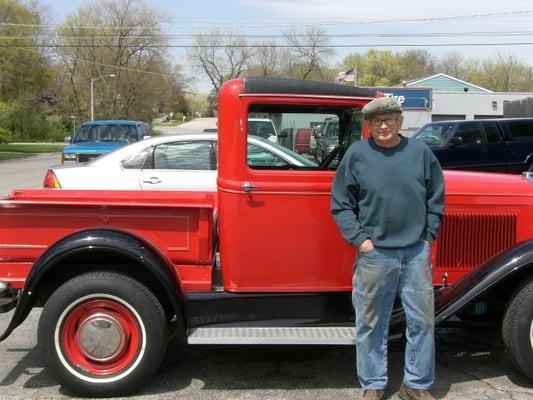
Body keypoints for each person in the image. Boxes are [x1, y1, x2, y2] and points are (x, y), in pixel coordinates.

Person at [330, 97, 445, 400]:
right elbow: (341, 205)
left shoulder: (420, 152)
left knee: (422, 322)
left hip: (416, 253)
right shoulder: (356, 155)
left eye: (390, 119)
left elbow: (436, 197)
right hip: (375, 255)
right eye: (376, 121)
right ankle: (373, 383)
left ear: (400, 122)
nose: (383, 125)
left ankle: (416, 384)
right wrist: (362, 241)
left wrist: (428, 236)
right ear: (368, 126)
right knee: (370, 323)